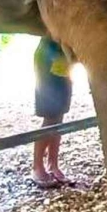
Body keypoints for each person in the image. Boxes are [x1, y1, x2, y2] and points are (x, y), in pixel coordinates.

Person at [32, 36, 74, 188]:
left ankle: (53, 165)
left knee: (59, 116)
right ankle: (37, 167)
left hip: (63, 58)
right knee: (50, 116)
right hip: (49, 56)